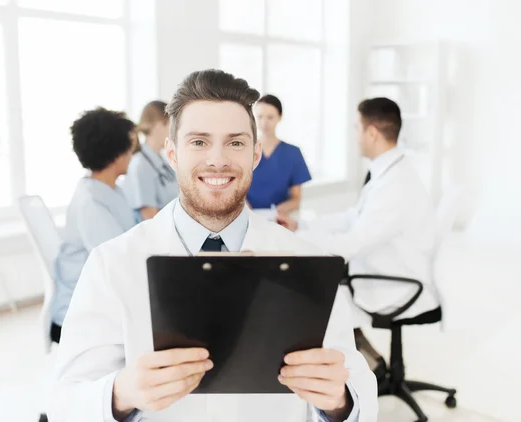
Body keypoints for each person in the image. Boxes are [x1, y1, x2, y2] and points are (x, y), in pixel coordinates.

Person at [48, 70, 377, 422]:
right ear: (172, 155)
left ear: (255, 155)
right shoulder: (111, 264)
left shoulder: (309, 263)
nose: (217, 160)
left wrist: (340, 402)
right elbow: (66, 403)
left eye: (235, 142)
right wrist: (121, 393)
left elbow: (358, 389)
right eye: (199, 142)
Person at [277, 98, 438, 374]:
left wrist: (300, 242)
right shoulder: (388, 171)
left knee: (315, 294)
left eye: (356, 128)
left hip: (393, 283)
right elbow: (353, 217)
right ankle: (371, 360)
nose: (355, 135)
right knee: (327, 285)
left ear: (372, 133)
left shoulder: (395, 185)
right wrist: (299, 226)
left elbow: (353, 243)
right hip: (384, 267)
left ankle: (359, 370)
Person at [50, 107, 138, 343]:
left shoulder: (109, 189)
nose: (133, 153)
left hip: (101, 298)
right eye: (130, 148)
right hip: (79, 313)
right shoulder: (91, 203)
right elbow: (116, 263)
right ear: (117, 155)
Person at [247, 94, 312, 214]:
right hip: (249, 217)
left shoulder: (293, 153)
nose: (264, 123)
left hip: (280, 218)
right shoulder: (245, 151)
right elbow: (235, 190)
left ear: (280, 117)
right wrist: (247, 211)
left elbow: (296, 198)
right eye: (260, 117)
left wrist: (281, 210)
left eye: (270, 117)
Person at [124, 100, 179, 221]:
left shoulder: (163, 162)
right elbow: (148, 216)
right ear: (157, 125)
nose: (173, 131)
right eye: (169, 125)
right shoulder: (140, 164)